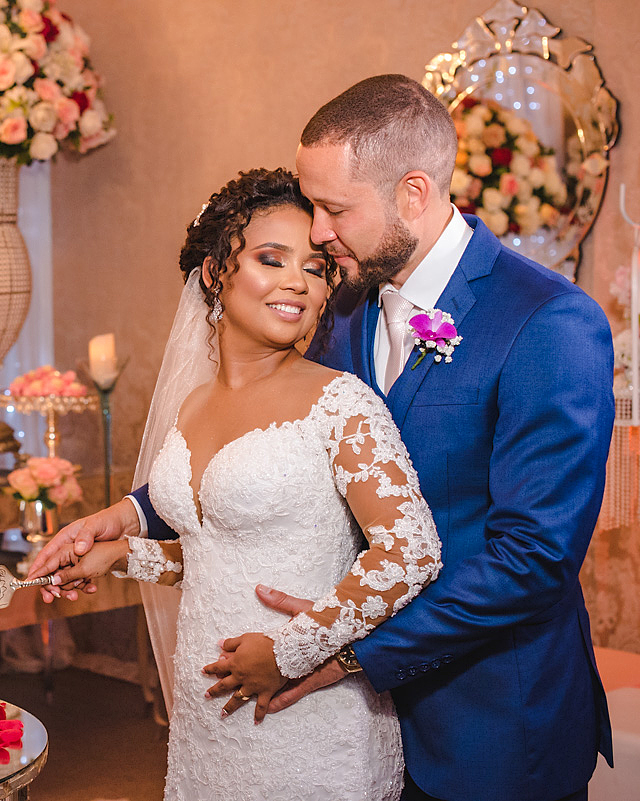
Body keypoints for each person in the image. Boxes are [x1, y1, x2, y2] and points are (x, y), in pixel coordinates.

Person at [31, 75, 615, 801]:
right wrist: (129, 515)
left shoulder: (549, 321)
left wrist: (339, 657)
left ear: (412, 193)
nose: (318, 232)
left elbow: (532, 560)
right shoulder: (344, 304)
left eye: (333, 209)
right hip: (344, 716)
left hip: (487, 720)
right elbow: (277, 449)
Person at [39, 166, 443, 800]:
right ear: (214, 274)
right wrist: (120, 555)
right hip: (207, 716)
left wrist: (291, 651)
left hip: (306, 712)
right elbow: (219, 556)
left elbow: (411, 552)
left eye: (314, 267)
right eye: (270, 258)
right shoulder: (192, 406)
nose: (297, 283)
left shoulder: (340, 403)